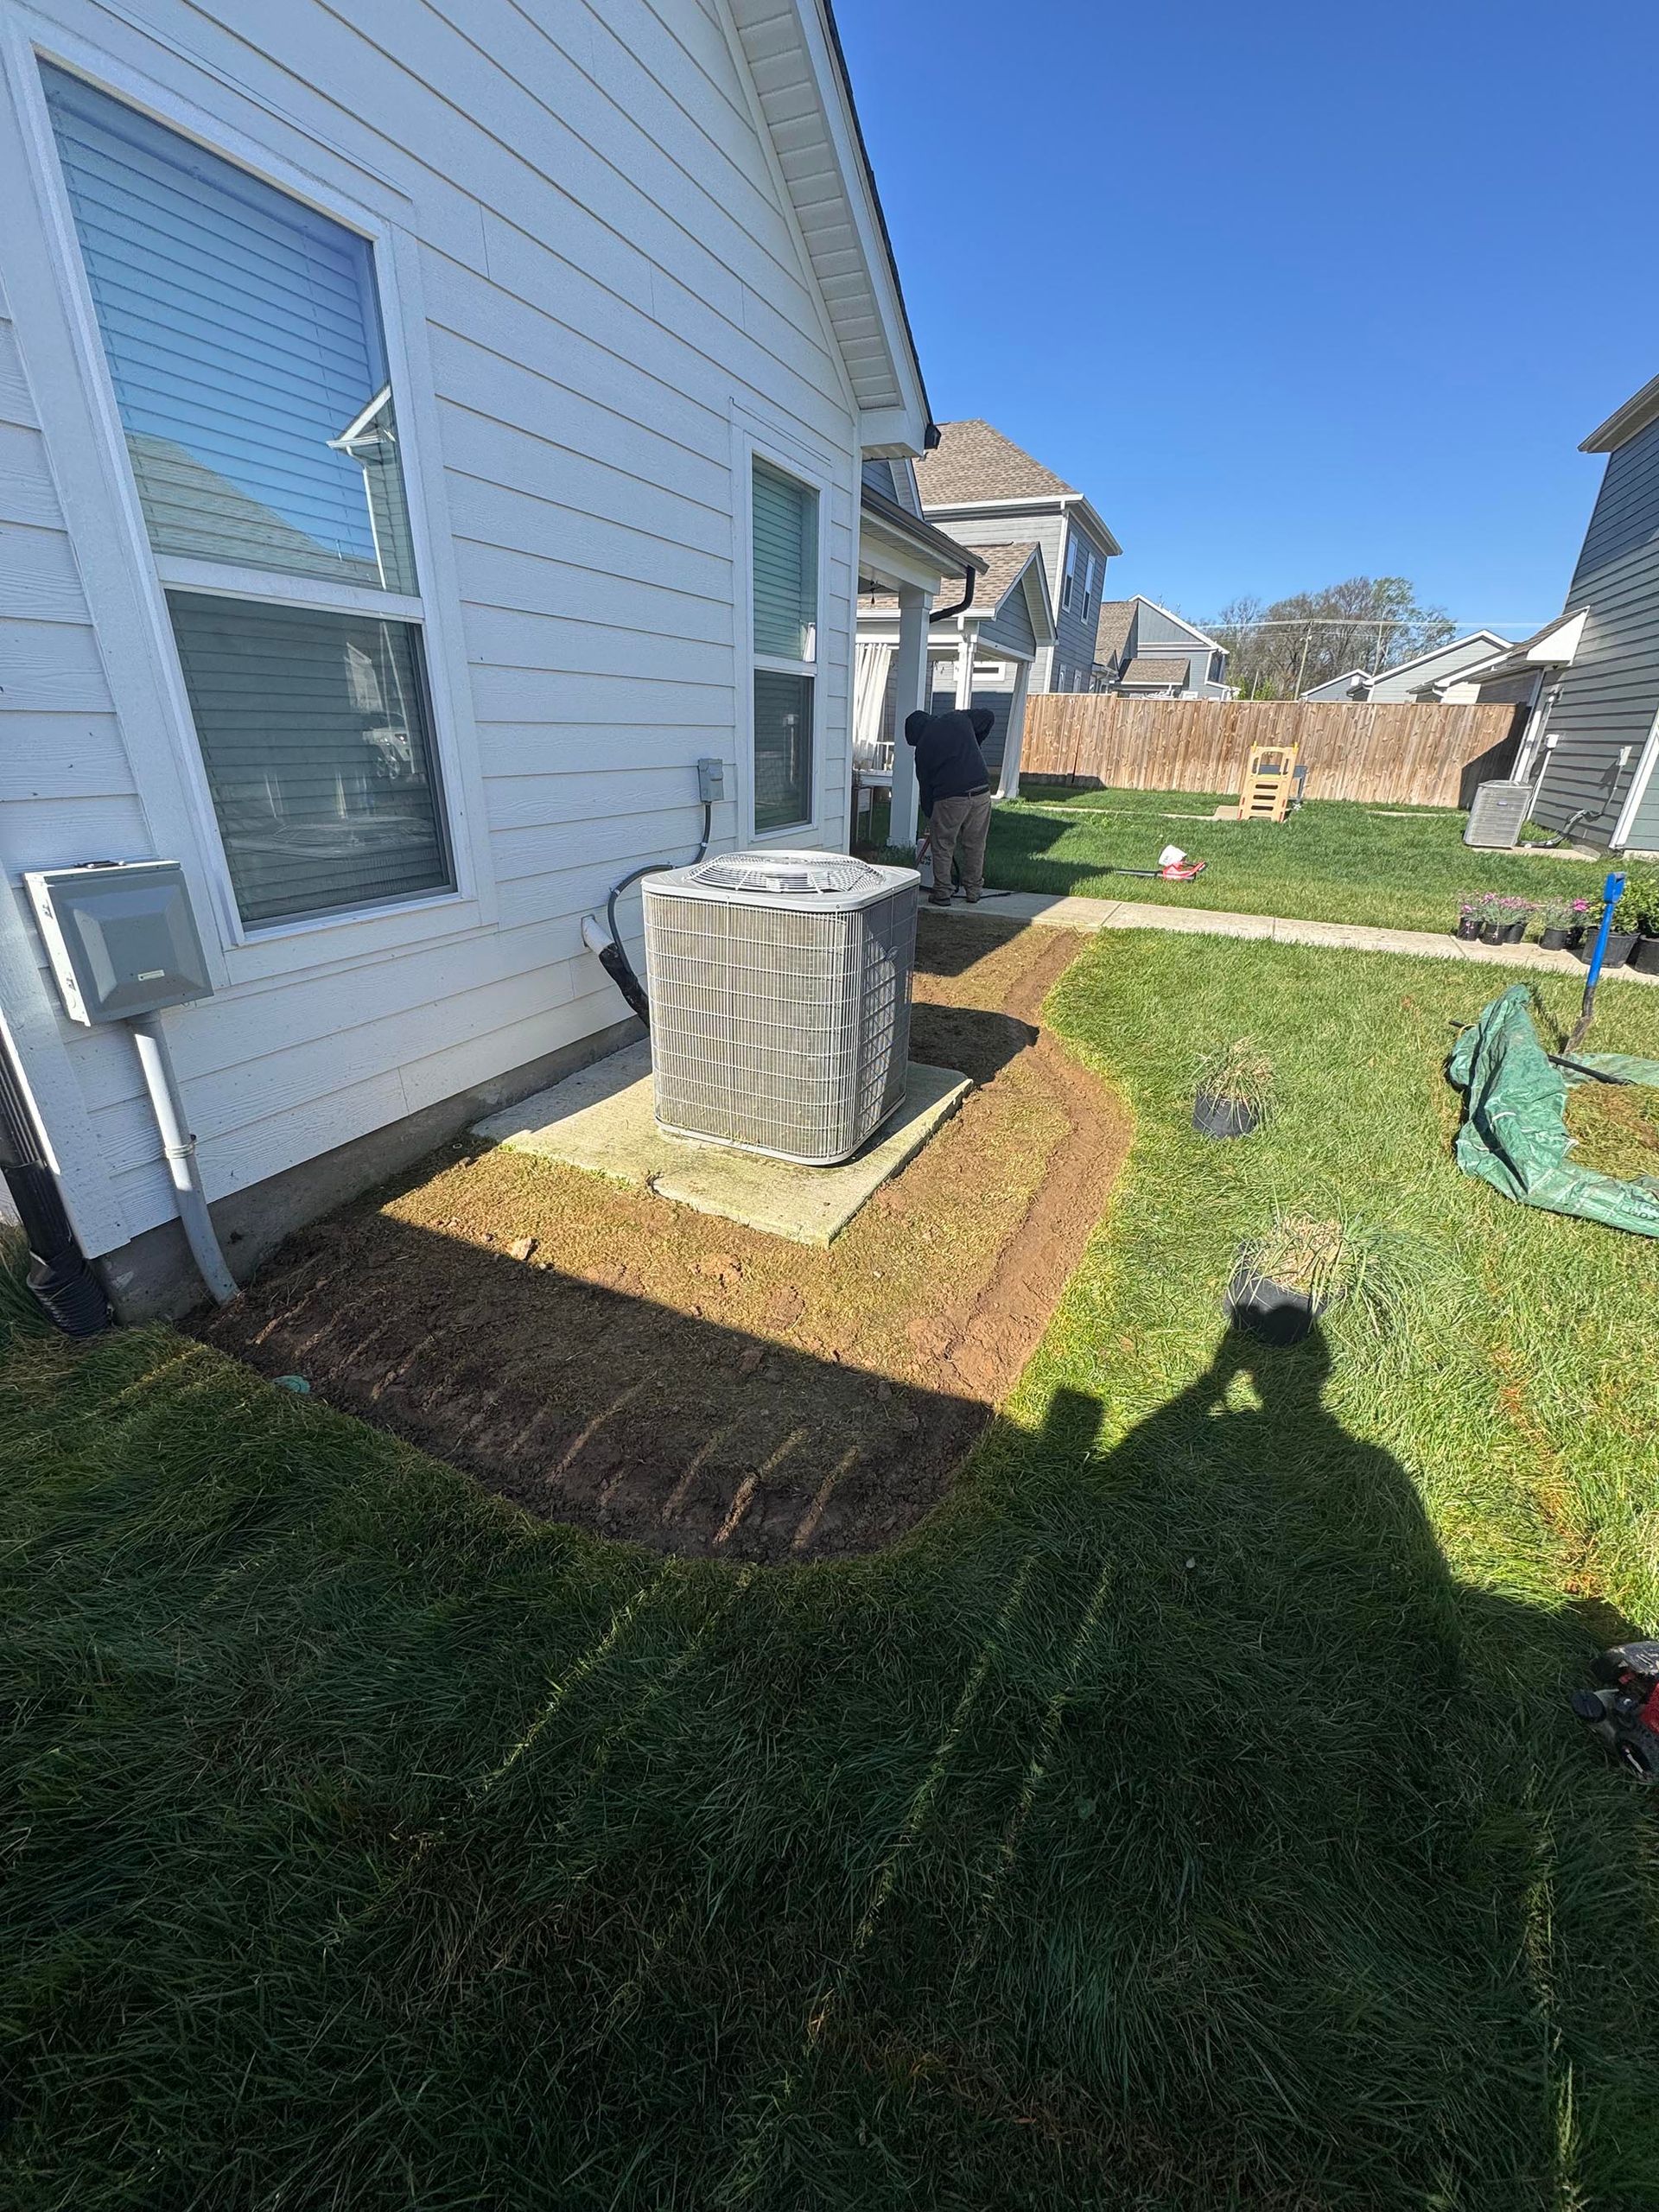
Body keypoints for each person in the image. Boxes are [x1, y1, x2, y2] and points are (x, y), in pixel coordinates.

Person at [905, 705, 995, 906]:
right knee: (975, 844)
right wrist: (975, 743)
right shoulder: (958, 719)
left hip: (950, 797)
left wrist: (930, 815)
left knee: (943, 844)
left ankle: (943, 892)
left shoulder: (923, 749)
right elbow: (988, 716)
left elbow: (926, 787)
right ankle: (973, 890)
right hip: (981, 791)